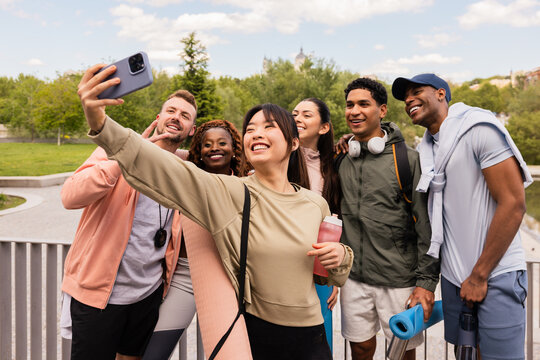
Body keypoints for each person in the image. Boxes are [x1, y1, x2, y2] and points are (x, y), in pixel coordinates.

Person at [77, 63, 354, 360]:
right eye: (250, 129)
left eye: (268, 127)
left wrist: (340, 256)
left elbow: (327, 276)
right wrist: (100, 122)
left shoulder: (316, 204)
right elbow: (159, 165)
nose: (256, 134)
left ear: (294, 142)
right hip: (258, 333)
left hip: (312, 335)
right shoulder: (229, 192)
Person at [391, 73, 533, 359]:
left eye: (417, 91)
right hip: (456, 281)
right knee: (467, 355)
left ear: (442, 93)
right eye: (405, 97)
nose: (408, 100)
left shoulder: (478, 128)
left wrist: (480, 276)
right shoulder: (428, 148)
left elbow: (513, 204)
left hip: (495, 274)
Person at [60, 87, 197, 360]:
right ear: (158, 118)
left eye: (185, 115)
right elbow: (70, 195)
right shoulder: (119, 148)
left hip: (148, 296)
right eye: (171, 111)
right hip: (98, 296)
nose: (176, 117)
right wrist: (127, 155)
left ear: (191, 130)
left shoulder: (184, 172)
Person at [337, 78, 439, 360]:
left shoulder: (408, 160)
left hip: (399, 279)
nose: (354, 111)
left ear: (382, 111)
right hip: (353, 278)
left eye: (363, 104)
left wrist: (426, 283)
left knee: (403, 351)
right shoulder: (342, 159)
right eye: (349, 105)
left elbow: (426, 227)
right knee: (359, 347)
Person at [143, 119, 251, 360]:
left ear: (234, 148)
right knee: (153, 355)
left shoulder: (248, 184)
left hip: (226, 281)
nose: (214, 148)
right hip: (184, 277)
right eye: (207, 144)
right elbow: (162, 156)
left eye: (222, 143)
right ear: (198, 152)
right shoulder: (187, 178)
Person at [292, 98, 341, 349]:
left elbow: (333, 227)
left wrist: (332, 277)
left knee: (321, 344)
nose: (298, 118)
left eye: (307, 115)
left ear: (324, 127)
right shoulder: (278, 159)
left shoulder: (333, 166)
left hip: (318, 271)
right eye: (294, 113)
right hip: (284, 270)